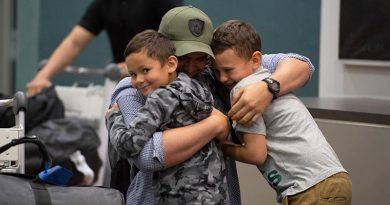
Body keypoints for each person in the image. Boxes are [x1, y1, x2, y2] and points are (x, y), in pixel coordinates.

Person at [108, 5, 315, 205]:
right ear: (163, 52)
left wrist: (267, 87)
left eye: (200, 57)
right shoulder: (135, 88)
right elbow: (147, 156)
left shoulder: (215, 72)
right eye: (183, 58)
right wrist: (216, 125)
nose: (190, 67)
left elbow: (302, 65)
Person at [211, 19, 352, 205]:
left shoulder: (242, 90)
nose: (222, 78)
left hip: (309, 188)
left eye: (228, 70)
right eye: (216, 71)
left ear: (255, 60)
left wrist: (220, 146)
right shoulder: (266, 74)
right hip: (332, 180)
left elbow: (256, 154)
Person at [106, 29, 229, 204]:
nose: (138, 80)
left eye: (145, 70)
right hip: (214, 196)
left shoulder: (160, 98)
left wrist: (113, 118)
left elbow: (128, 145)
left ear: (171, 64)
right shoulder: (201, 89)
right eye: (132, 74)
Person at [26, 0, 183, 97]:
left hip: (166, 88)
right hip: (126, 85)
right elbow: (75, 42)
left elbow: (181, 35)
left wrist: (136, 68)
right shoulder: (103, 4)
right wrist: (43, 75)